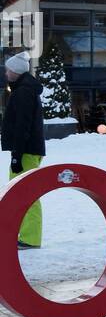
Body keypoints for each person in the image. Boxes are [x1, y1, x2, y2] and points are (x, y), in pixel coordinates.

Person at [1, 51, 46, 249]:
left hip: (26, 151)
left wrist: (16, 156)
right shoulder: (23, 89)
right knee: (22, 192)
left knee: (27, 193)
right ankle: (26, 235)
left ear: (16, 72)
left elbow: (22, 126)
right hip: (28, 150)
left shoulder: (23, 92)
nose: (5, 72)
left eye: (8, 69)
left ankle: (30, 238)